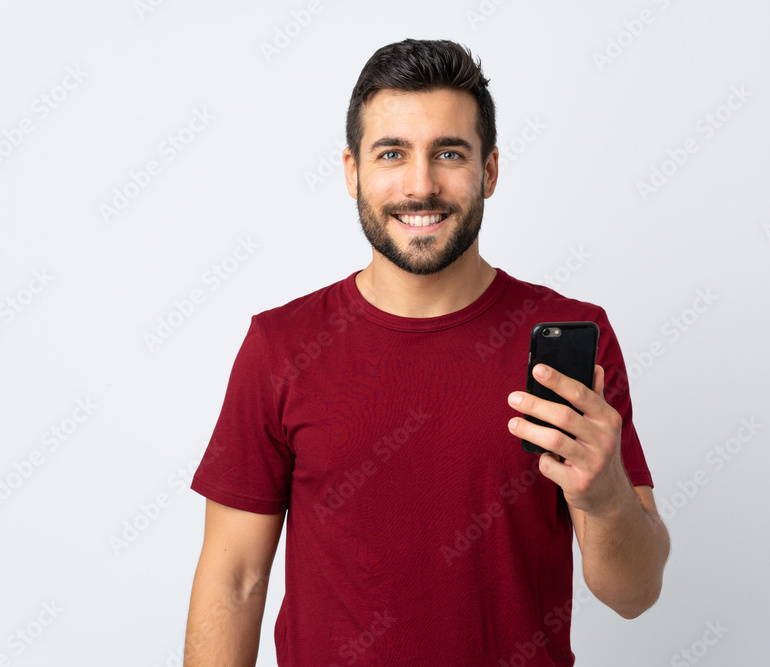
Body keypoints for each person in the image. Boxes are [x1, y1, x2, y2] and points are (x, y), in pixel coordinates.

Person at [183, 38, 669, 666]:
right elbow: (235, 580)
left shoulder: (572, 337)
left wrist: (604, 495)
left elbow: (634, 595)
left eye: (449, 153)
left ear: (489, 171)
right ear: (353, 170)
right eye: (392, 153)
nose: (421, 185)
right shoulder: (281, 346)